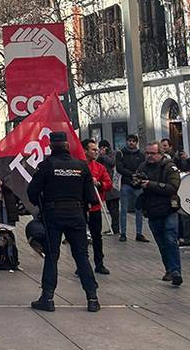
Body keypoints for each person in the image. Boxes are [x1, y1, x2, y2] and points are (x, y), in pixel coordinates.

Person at [27, 131, 101, 313]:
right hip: (76, 214)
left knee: (52, 257)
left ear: (51, 146)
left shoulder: (46, 166)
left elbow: (32, 192)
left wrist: (42, 205)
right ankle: (92, 298)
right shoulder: (81, 166)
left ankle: (48, 297)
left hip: (53, 214)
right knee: (81, 256)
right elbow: (92, 197)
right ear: (67, 146)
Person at [136, 142, 184, 286]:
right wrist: (136, 182)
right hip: (152, 209)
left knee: (170, 239)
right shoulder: (143, 166)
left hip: (168, 208)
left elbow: (173, 187)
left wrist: (150, 184)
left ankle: (176, 271)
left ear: (160, 154)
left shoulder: (169, 167)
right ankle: (169, 269)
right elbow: (137, 180)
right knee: (161, 243)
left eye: (153, 153)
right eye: (147, 153)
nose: (149, 156)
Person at [82, 138, 112, 275]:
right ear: (85, 150)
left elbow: (108, 184)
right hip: (80, 207)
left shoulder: (99, 167)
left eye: (96, 149)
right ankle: (82, 264)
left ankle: (99, 263)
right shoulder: (78, 165)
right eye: (93, 149)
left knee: (97, 237)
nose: (96, 152)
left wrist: (99, 184)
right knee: (80, 237)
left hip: (95, 207)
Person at [115, 135, 147, 242]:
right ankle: (123, 233)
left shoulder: (141, 155)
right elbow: (119, 168)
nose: (131, 143)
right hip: (126, 183)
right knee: (123, 209)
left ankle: (139, 233)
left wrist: (137, 175)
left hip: (138, 184)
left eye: (133, 141)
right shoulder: (121, 154)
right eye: (129, 141)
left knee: (139, 209)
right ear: (126, 141)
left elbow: (143, 167)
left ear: (136, 142)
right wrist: (131, 174)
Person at [96, 140, 120, 236]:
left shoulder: (113, 153)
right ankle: (113, 227)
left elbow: (112, 163)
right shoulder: (101, 157)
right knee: (110, 209)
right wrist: (100, 156)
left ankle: (116, 228)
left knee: (114, 210)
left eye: (102, 148)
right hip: (106, 186)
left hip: (113, 186)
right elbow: (97, 163)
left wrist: (104, 155)